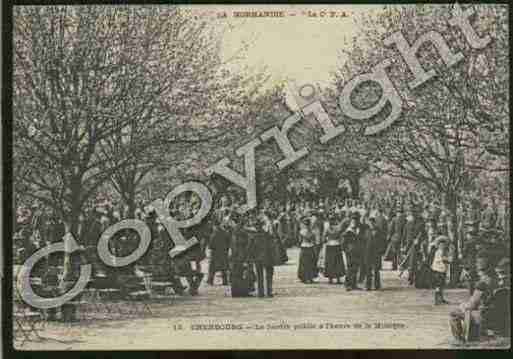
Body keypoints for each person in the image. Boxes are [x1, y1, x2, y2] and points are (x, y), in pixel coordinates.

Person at [449, 253, 497, 342]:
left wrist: (462, 305)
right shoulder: (496, 279)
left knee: (454, 313)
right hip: (495, 313)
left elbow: (471, 305)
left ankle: (459, 340)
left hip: (483, 315)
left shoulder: (482, 283)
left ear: (479, 268)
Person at [229, 213, 254, 297]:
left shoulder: (235, 231)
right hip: (240, 255)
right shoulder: (240, 231)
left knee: (237, 274)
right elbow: (240, 244)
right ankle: (242, 292)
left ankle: (237, 292)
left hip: (236, 256)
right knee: (241, 274)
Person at [251, 217, 276, 297]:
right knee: (268, 276)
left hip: (258, 258)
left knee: (259, 276)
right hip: (266, 257)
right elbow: (272, 246)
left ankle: (260, 292)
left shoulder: (253, 236)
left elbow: (250, 248)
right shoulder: (267, 235)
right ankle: (269, 291)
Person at [342, 212, 366, 291]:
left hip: (358, 250)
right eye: (354, 219)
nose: (356, 221)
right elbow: (344, 243)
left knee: (355, 267)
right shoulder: (348, 231)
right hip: (350, 251)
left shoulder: (360, 229)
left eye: (357, 219)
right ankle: (348, 284)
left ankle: (353, 284)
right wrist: (346, 250)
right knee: (350, 267)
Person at [319, 213, 345, 284]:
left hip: (330, 245)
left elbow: (323, 238)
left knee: (331, 262)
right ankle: (337, 278)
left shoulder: (328, 228)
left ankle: (331, 278)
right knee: (337, 262)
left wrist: (325, 239)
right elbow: (341, 236)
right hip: (336, 245)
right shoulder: (338, 228)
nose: (331, 221)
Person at [207, 217, 231, 286]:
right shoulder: (225, 232)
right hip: (223, 252)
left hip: (215, 253)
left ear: (214, 225)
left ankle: (210, 280)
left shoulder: (214, 234)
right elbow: (228, 242)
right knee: (224, 268)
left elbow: (211, 245)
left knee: (212, 268)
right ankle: (225, 281)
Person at [363, 216, 385, 291]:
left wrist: (381, 250)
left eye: (372, 222)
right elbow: (364, 241)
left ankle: (377, 285)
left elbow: (382, 241)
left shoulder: (379, 231)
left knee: (376, 269)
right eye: (370, 222)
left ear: (374, 222)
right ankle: (368, 285)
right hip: (368, 252)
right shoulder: (366, 231)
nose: (371, 224)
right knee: (368, 270)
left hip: (376, 252)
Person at [431, 236, 451, 304]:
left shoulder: (443, 252)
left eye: (444, 245)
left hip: (442, 270)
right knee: (438, 285)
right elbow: (443, 259)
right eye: (441, 245)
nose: (442, 246)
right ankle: (436, 299)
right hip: (438, 270)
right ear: (438, 245)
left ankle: (441, 298)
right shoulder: (438, 252)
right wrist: (448, 260)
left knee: (441, 285)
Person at [297, 217, 317, 284]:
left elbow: (299, 241)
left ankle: (304, 277)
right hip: (310, 247)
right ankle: (310, 277)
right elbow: (314, 241)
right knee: (311, 263)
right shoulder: (312, 232)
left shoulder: (301, 231)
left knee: (303, 263)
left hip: (304, 247)